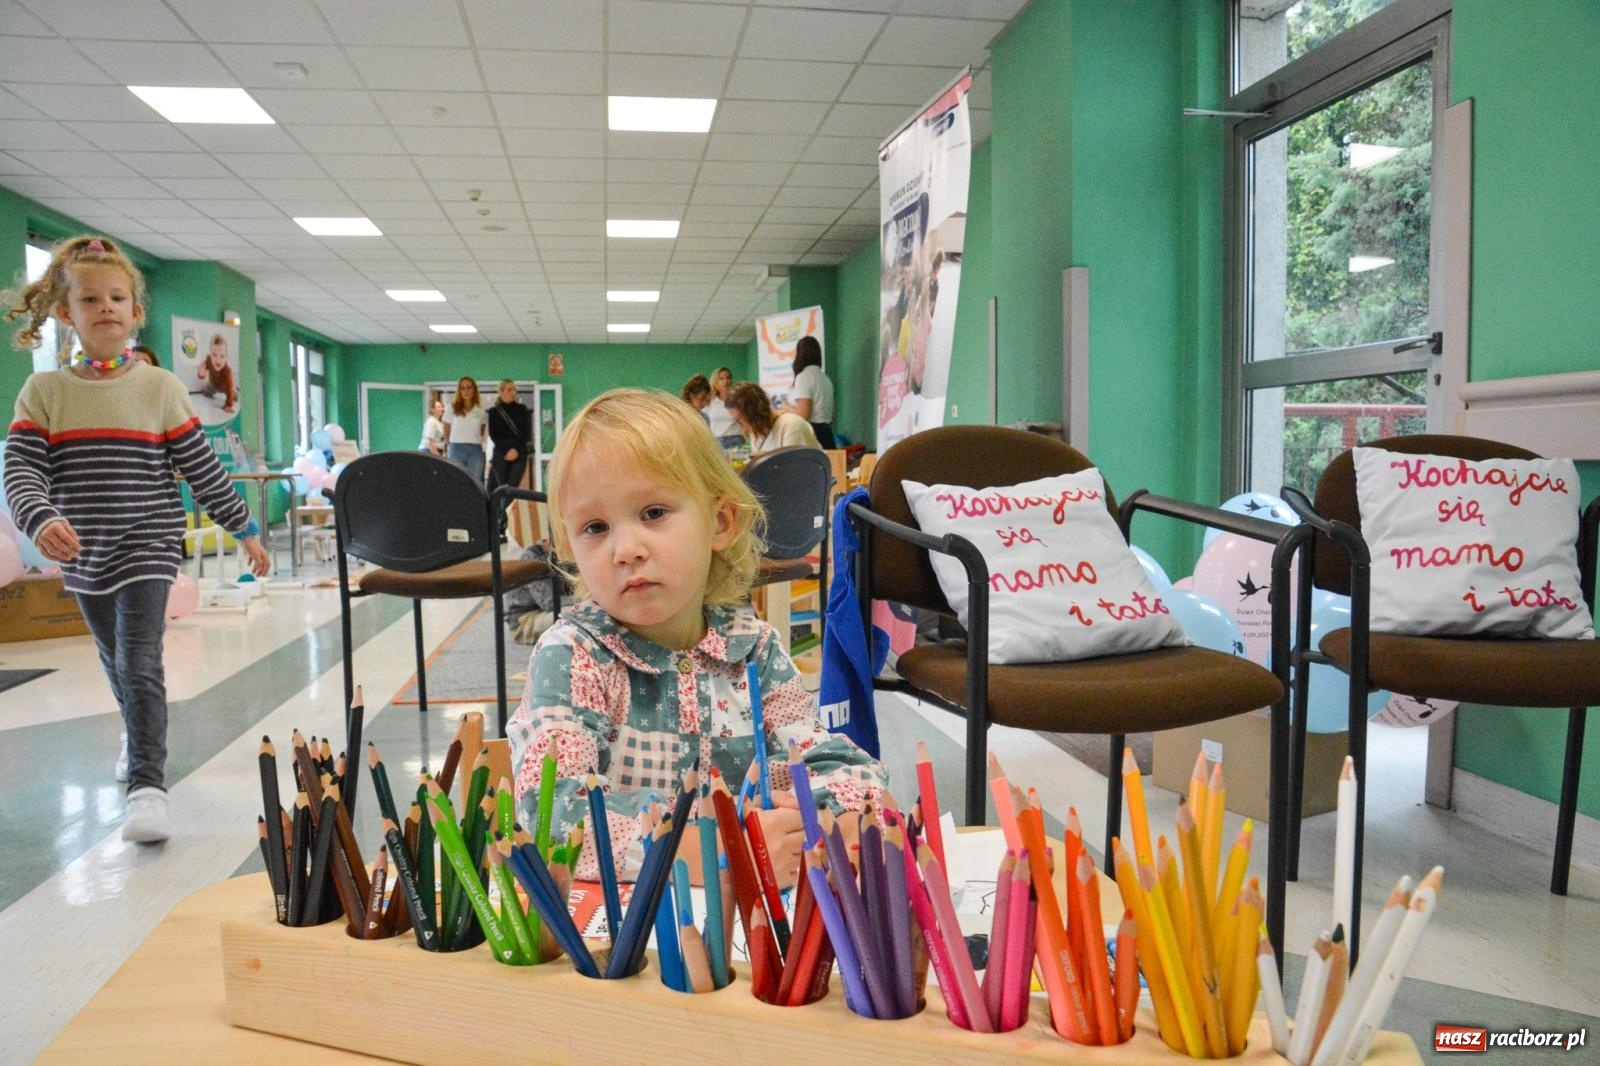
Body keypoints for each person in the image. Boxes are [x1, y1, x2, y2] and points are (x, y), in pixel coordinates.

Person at [505, 389, 885, 886]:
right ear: (570, 549)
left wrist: (845, 811)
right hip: (620, 944)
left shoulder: (756, 649)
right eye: (595, 527)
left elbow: (827, 760)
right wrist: (725, 850)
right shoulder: (571, 656)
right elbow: (553, 820)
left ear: (721, 522)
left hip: (747, 943)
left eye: (654, 512)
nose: (625, 549)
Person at [2, 236, 272, 844]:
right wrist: (41, 519)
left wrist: (245, 528)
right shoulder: (44, 393)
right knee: (113, 656)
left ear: (135, 311)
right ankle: (136, 732)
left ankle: (147, 786)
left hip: (149, 541)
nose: (106, 307)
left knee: (139, 658)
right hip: (83, 548)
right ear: (65, 313)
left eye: (118, 297)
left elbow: (202, 467)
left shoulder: (159, 389)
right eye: (90, 298)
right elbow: (21, 470)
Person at [725, 381, 820, 455]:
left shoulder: (792, 425)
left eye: (739, 420)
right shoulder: (757, 433)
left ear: (753, 414)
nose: (741, 427)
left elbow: (797, 470)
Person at [487, 379, 532, 533]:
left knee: (511, 488)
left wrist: (516, 450)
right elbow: (494, 435)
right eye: (509, 389)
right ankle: (498, 522)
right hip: (501, 452)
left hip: (519, 452)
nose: (512, 392)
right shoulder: (494, 412)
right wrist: (507, 449)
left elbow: (526, 433)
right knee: (501, 487)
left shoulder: (522, 409)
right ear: (501, 392)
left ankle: (503, 523)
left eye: (514, 389)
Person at [777, 334, 836, 448]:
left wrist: (785, 407)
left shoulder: (803, 377)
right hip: (827, 434)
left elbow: (803, 414)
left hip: (811, 435)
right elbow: (832, 414)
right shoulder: (825, 378)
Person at [444, 376, 487, 484]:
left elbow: (481, 431)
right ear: (459, 391)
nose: (466, 391)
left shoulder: (481, 411)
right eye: (462, 388)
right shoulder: (451, 408)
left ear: (474, 390)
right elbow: (446, 429)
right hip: (456, 448)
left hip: (475, 450)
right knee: (456, 481)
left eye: (469, 387)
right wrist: (448, 446)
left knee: (475, 482)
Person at [195, 333, 237, 413]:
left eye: (222, 356)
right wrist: (201, 374)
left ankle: (234, 391)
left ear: (226, 356)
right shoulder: (208, 360)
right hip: (213, 384)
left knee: (232, 394)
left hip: (225, 386)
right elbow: (202, 373)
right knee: (206, 393)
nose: (218, 360)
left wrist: (228, 405)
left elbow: (228, 387)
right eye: (214, 355)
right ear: (210, 354)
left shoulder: (227, 371)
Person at [704, 365, 742, 450]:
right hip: (716, 442)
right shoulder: (710, 402)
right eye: (721, 379)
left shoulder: (739, 400)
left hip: (736, 439)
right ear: (715, 383)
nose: (725, 381)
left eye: (728, 378)